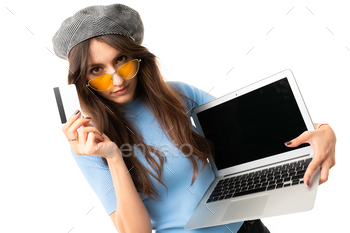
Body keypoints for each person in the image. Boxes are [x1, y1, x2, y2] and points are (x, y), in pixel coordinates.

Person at [52, 4, 336, 233]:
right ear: (81, 79)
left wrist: (320, 131)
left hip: (246, 227)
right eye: (96, 70)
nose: (115, 79)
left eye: (121, 60)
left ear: (137, 57)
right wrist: (113, 156)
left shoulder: (178, 94)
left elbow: (250, 134)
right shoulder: (88, 142)